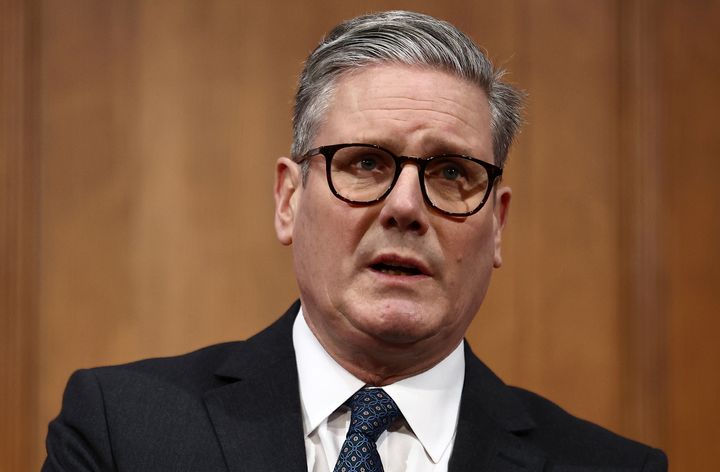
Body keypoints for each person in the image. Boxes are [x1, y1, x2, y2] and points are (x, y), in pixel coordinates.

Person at [43, 10, 667, 472]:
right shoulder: (120, 431)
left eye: (452, 174)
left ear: (496, 224)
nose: (405, 207)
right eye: (366, 163)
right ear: (289, 200)